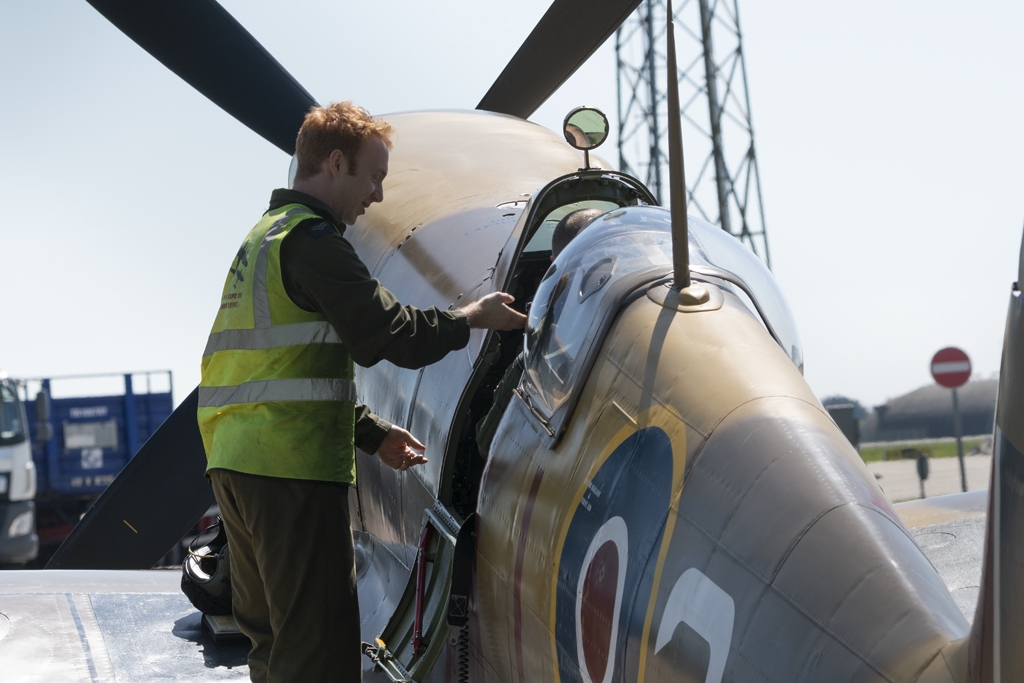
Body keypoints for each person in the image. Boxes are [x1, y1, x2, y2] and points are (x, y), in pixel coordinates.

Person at [197, 100, 526, 683]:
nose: (377, 195)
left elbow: (280, 375)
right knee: (318, 653)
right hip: (292, 473)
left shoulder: (263, 240)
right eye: (373, 176)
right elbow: (386, 332)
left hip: (237, 468)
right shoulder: (313, 241)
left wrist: (371, 433)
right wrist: (471, 318)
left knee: (272, 646)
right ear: (335, 163)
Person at [475, 207, 604, 458]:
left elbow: (487, 442)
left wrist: (541, 343)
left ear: (554, 262)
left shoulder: (547, 325)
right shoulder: (547, 320)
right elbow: (487, 440)